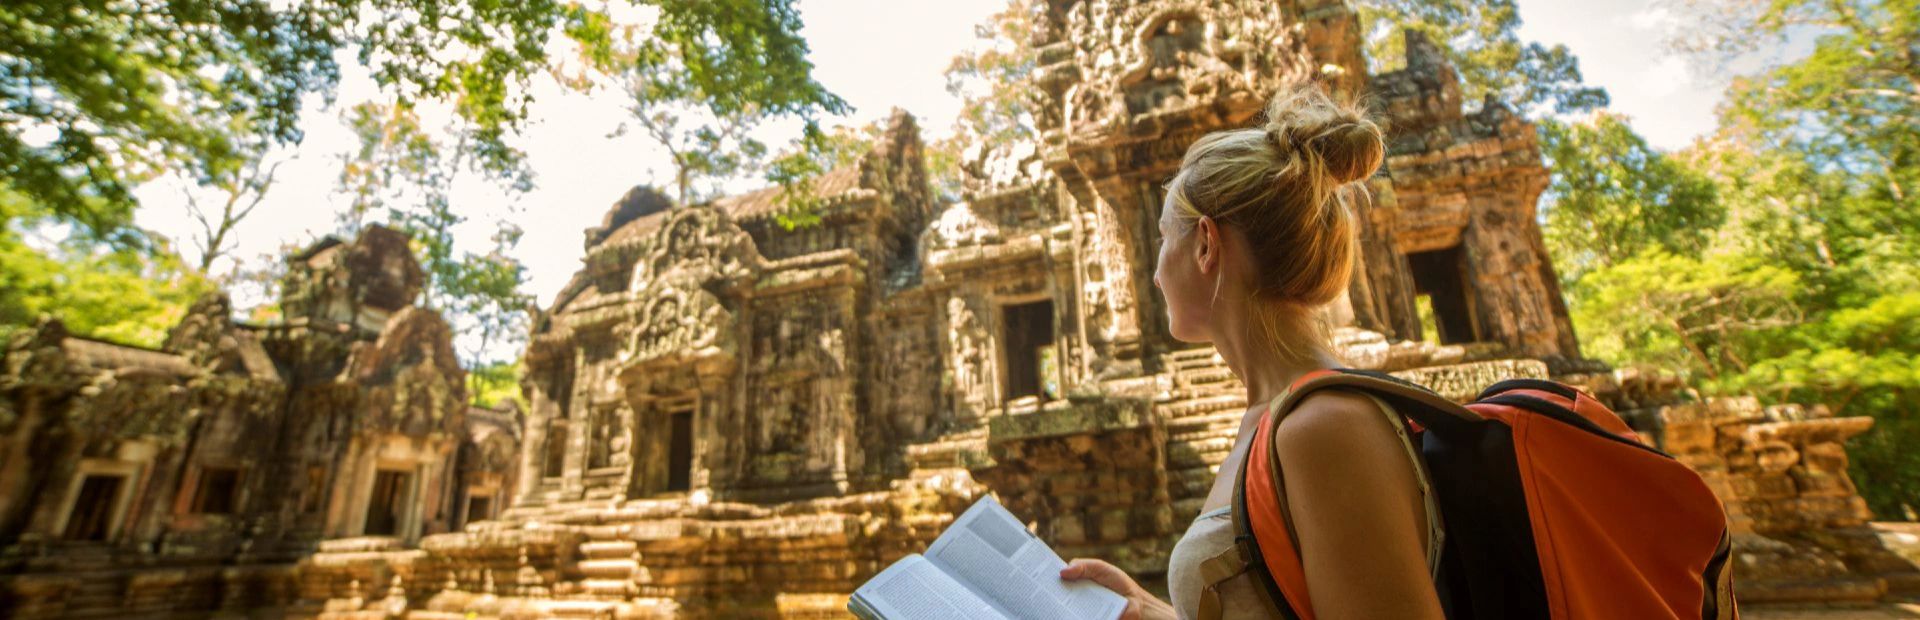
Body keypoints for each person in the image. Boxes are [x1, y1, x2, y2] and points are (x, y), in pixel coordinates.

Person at [1057, 83, 1446, 620]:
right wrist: (1154, 613)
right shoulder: (1274, 420)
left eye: (1162, 240)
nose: (1152, 273)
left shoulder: (1325, 428)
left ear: (1205, 245)